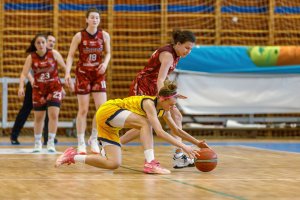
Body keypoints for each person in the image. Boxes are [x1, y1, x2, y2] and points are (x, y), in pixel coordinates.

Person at [55, 80, 210, 174]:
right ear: (162, 99)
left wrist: (197, 143)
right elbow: (160, 132)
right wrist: (184, 147)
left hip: (110, 125)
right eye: (172, 103)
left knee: (113, 164)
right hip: (108, 110)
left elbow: (176, 130)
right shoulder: (149, 103)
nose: (174, 106)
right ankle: (150, 163)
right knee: (146, 123)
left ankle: (71, 156)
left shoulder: (165, 109)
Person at [121, 30, 197, 169]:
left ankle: (179, 156)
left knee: (177, 115)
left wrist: (172, 94)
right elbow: (160, 79)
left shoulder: (177, 54)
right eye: (187, 47)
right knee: (144, 123)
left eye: (191, 49)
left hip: (156, 87)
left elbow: (163, 78)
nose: (188, 51)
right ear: (178, 44)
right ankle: (113, 144)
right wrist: (166, 97)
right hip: (144, 85)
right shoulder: (168, 55)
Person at [64, 7, 111, 154]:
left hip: (98, 74)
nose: (95, 19)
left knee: (101, 109)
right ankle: (81, 142)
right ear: (86, 19)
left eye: (97, 17)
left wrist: (105, 63)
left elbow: (108, 52)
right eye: (92, 17)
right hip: (83, 74)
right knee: (83, 110)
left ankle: (94, 138)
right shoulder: (79, 36)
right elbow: (71, 55)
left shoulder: (104, 35)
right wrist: (67, 73)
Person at [18, 33, 68, 152]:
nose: (41, 45)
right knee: (39, 117)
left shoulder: (54, 54)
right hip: (39, 89)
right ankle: (37, 143)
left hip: (54, 87)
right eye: (38, 43)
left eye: (43, 42)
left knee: (54, 115)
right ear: (34, 45)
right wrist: (21, 87)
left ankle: (50, 142)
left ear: (46, 43)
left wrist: (67, 79)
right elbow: (24, 73)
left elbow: (66, 68)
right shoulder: (31, 57)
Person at [10, 34, 59, 145]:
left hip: (49, 87)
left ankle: (47, 138)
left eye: (53, 42)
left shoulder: (53, 55)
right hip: (34, 86)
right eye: (50, 40)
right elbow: (27, 72)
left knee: (50, 111)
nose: (51, 43)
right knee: (26, 110)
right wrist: (32, 81)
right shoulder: (34, 55)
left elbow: (54, 74)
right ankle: (14, 135)